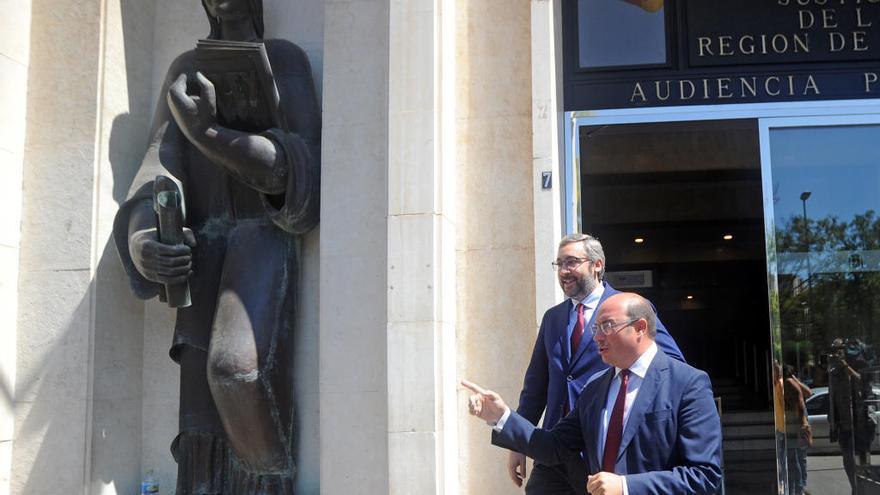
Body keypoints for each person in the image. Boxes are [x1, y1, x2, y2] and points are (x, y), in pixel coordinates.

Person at [113, 0, 320, 493]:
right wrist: (144, 238)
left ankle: (266, 486)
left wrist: (207, 131)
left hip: (262, 235)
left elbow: (295, 167)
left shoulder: (285, 60)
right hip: (202, 249)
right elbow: (157, 170)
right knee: (200, 420)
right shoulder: (184, 70)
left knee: (235, 371)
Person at [463, 293, 722, 495]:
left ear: (640, 327)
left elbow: (703, 475)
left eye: (607, 326)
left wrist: (626, 487)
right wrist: (502, 417)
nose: (597, 337)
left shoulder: (688, 384)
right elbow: (554, 447)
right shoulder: (596, 388)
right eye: (595, 328)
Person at [508, 233, 684, 493]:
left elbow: (670, 364)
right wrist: (519, 443)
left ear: (597, 264)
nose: (564, 271)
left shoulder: (629, 309)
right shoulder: (553, 318)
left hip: (600, 450)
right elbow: (535, 386)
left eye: (571, 262)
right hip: (555, 452)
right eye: (559, 264)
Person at [782, 364, 812, 495]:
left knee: (796, 461)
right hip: (798, 426)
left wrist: (802, 425)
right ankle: (800, 487)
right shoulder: (790, 384)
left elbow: (808, 393)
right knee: (799, 460)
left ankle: (799, 488)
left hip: (796, 427)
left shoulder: (789, 384)